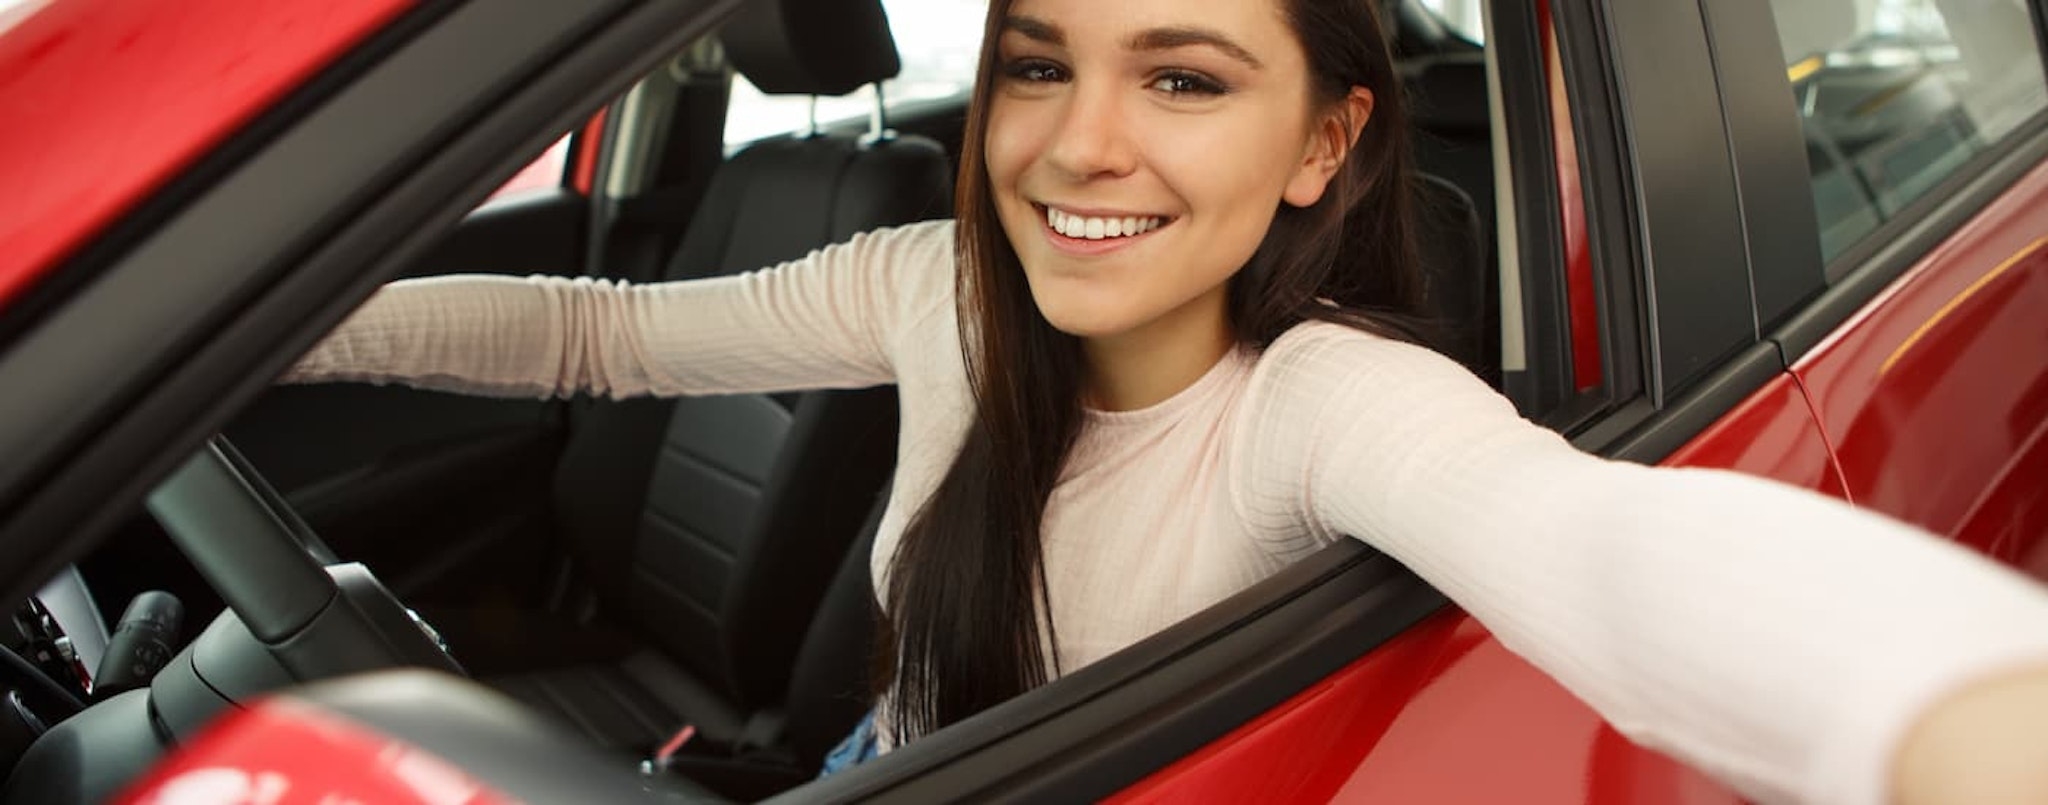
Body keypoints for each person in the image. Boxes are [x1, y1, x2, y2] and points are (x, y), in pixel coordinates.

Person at [286, 0, 2048, 802]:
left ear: (1325, 142)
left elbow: (1607, 545)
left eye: (1184, 78)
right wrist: (295, 331)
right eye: (1040, 62)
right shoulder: (928, 283)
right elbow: (589, 335)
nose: (1080, 144)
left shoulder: (1318, 405)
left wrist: (1972, 719)